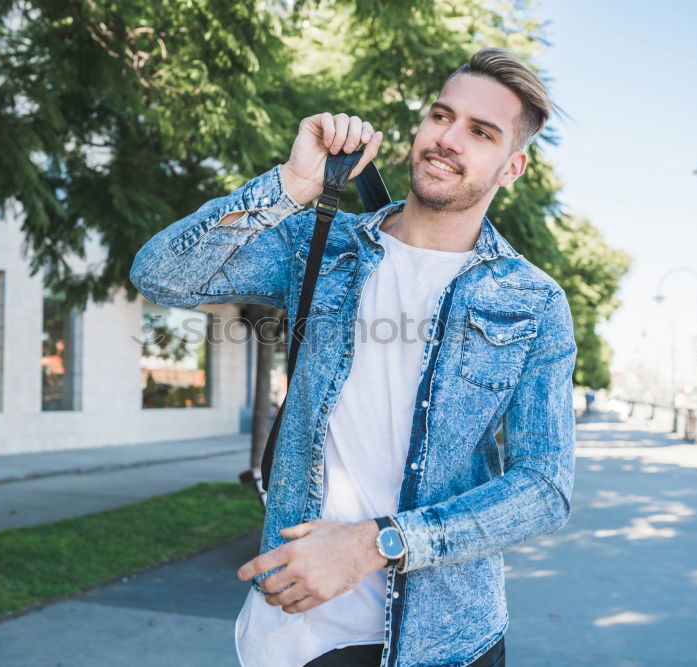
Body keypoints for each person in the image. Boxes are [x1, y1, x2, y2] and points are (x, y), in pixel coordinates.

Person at [130, 47, 576, 667]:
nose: (448, 139)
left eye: (480, 132)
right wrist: (291, 183)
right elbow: (161, 276)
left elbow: (544, 488)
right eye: (441, 115)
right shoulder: (325, 241)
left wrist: (378, 544)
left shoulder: (532, 301)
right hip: (294, 629)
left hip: (444, 641)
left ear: (512, 166)